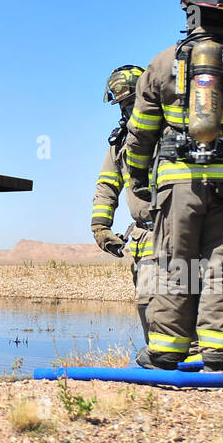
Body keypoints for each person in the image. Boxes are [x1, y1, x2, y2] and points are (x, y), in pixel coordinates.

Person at [126, 0, 223, 370]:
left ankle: (167, 350)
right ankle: (221, 352)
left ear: (194, 12)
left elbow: (141, 134)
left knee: (175, 263)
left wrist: (138, 179)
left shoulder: (162, 62)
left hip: (177, 185)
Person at [88, 65, 154, 340]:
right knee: (150, 305)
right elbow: (106, 186)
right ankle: (163, 367)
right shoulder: (120, 144)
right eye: (123, 105)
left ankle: (198, 368)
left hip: (182, 231)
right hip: (146, 235)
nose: (127, 110)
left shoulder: (171, 132)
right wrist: (101, 228)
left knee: (188, 297)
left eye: (131, 103)